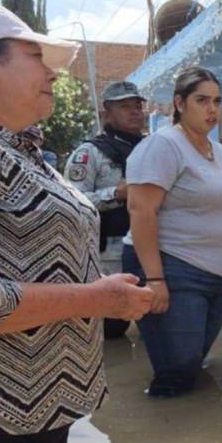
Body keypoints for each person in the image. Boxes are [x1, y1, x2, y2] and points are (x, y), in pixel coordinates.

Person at [0, 0, 153, 443]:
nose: (52, 74)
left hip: (39, 411)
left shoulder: (20, 151)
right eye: (34, 57)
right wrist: (96, 299)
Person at [121, 67, 222, 397]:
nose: (212, 109)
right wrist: (155, 280)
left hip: (218, 274)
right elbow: (141, 211)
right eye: (201, 100)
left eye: (217, 101)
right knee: (178, 371)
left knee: (194, 362)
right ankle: (164, 425)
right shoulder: (163, 146)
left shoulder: (220, 152)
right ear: (179, 103)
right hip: (173, 267)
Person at [65, 80, 146, 338]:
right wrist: (116, 194)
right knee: (111, 328)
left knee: (157, 320)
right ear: (106, 114)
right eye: (125, 106)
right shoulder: (89, 153)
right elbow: (71, 202)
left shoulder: (152, 149)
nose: (135, 112)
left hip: (153, 247)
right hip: (110, 251)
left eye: (137, 106)